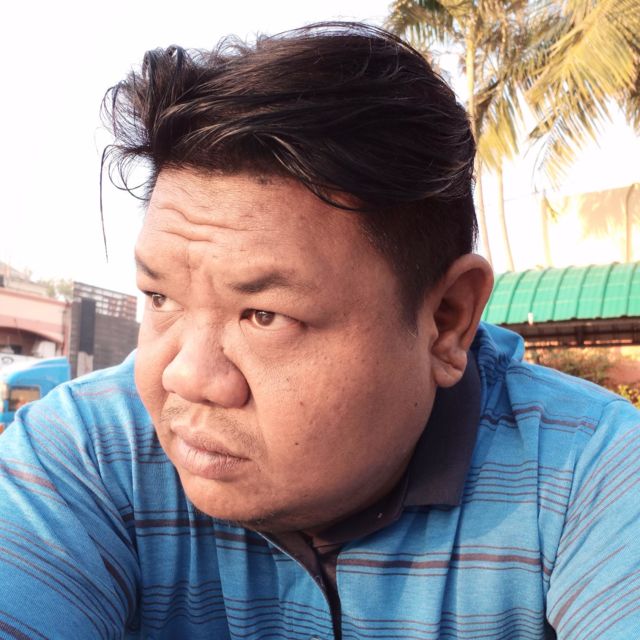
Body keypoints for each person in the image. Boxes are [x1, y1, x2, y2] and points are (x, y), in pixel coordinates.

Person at [0, 23, 638, 640]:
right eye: (161, 297)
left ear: (446, 321)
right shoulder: (85, 454)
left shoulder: (590, 473)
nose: (184, 376)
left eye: (264, 315)